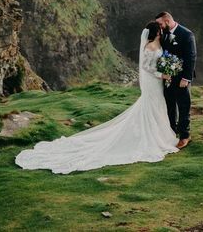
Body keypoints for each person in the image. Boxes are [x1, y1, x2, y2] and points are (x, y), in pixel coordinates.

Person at [14, 21, 180, 173]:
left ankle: (160, 133)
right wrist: (162, 75)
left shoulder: (158, 42)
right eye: (159, 29)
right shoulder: (150, 46)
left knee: (159, 106)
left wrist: (167, 69)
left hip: (158, 82)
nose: (161, 30)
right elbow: (145, 67)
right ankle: (151, 136)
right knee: (151, 105)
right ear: (154, 32)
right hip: (154, 81)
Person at [155, 11, 196, 149]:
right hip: (168, 78)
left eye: (160, 23)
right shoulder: (163, 34)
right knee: (170, 106)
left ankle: (185, 136)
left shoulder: (187, 34)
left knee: (184, 106)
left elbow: (191, 57)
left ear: (167, 21)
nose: (159, 26)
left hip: (181, 78)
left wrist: (186, 78)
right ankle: (171, 133)